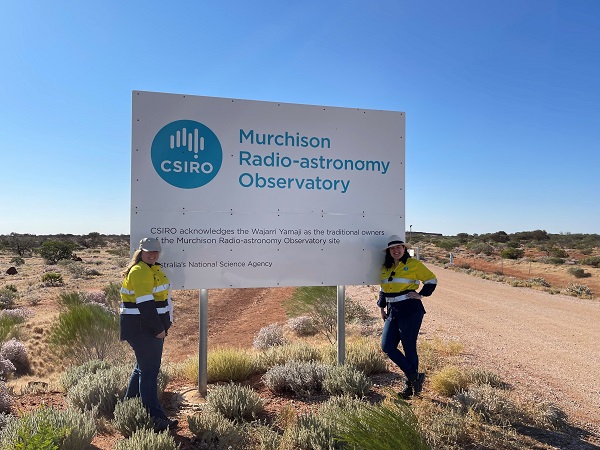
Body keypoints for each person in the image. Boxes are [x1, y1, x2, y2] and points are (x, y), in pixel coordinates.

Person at [120, 237, 177, 432]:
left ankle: (127, 406)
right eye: (148, 251)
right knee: (150, 372)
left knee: (142, 368)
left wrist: (164, 322)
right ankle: (155, 418)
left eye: (155, 251)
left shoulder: (152, 269)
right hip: (142, 328)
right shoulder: (140, 271)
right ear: (141, 251)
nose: (152, 254)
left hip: (146, 327)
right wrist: (158, 329)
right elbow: (145, 304)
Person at [378, 235, 437, 399]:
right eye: (393, 248)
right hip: (392, 310)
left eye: (399, 247)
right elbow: (383, 288)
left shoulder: (413, 264)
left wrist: (421, 295)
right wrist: (381, 307)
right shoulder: (386, 267)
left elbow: (431, 280)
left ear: (404, 249)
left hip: (410, 310)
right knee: (387, 346)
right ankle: (414, 376)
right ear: (389, 251)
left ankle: (409, 387)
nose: (396, 250)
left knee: (409, 346)